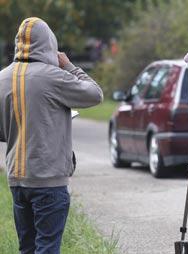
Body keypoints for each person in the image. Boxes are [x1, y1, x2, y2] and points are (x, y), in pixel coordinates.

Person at [0, 17, 103, 253]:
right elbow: (95, 94)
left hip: (17, 180)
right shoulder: (53, 76)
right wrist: (68, 65)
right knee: (47, 247)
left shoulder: (3, 78)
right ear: (49, 43)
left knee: (26, 248)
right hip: (48, 180)